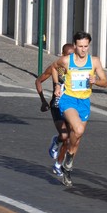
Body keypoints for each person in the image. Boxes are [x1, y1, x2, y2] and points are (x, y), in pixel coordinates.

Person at [51, 31, 107, 187]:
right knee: (78, 129)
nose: (83, 50)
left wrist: (95, 80)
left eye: (86, 46)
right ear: (75, 46)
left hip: (84, 102)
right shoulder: (66, 60)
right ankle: (67, 160)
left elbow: (105, 82)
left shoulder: (94, 61)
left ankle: (67, 166)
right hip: (68, 99)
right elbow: (54, 68)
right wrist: (57, 85)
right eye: (80, 46)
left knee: (76, 139)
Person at [35, 43, 75, 178]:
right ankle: (56, 141)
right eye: (68, 55)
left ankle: (58, 165)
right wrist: (43, 101)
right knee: (65, 136)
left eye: (73, 55)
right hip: (57, 106)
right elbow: (38, 81)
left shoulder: (77, 70)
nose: (71, 58)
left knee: (68, 140)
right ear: (62, 56)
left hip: (71, 107)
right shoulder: (56, 68)